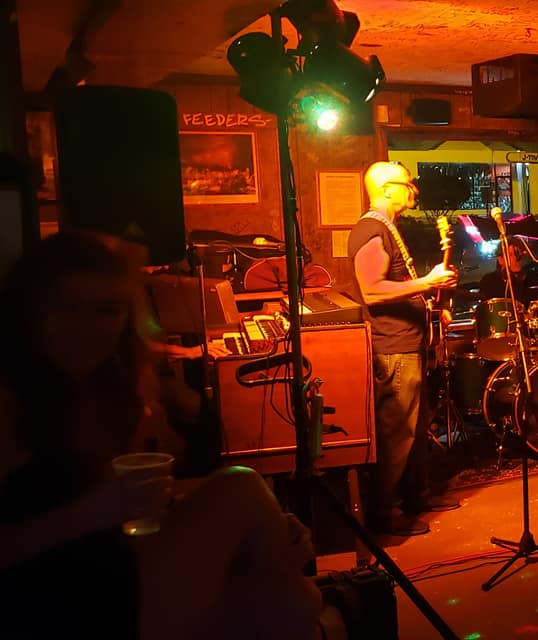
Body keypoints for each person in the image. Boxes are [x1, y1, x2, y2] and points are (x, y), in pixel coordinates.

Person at [0, 230, 329, 640]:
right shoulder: (9, 397)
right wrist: (92, 512)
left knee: (297, 601)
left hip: (102, 562)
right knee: (245, 494)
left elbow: (109, 505)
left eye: (107, 311)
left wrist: (266, 526)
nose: (87, 327)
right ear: (28, 309)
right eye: (67, 308)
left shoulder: (93, 386)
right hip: (46, 597)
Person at [348, 161, 460, 537]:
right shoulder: (371, 229)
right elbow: (372, 290)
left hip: (409, 344)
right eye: (408, 186)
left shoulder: (386, 228)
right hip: (393, 349)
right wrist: (427, 282)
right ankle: (386, 512)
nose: (413, 191)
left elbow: (394, 284)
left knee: (414, 429)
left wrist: (429, 301)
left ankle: (418, 497)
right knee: (396, 433)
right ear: (387, 188)